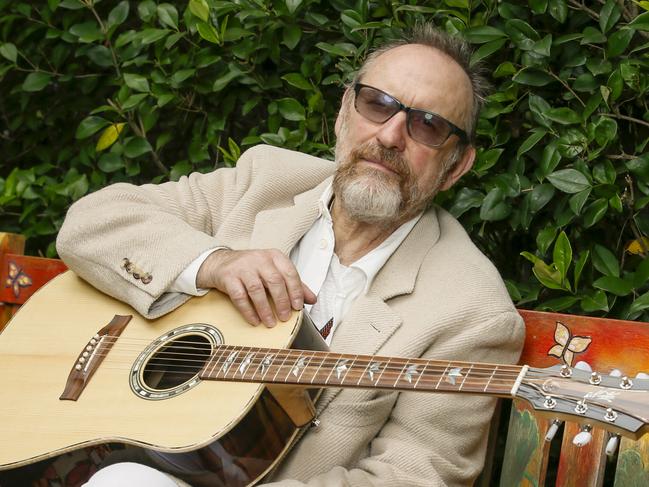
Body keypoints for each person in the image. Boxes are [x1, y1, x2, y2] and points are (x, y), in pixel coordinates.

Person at [57, 24, 524, 487]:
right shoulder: (266, 180)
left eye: (428, 124)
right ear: (345, 112)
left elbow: (414, 477)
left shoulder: (473, 312)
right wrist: (212, 263)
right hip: (113, 444)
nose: (389, 136)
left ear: (456, 165)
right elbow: (92, 221)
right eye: (377, 104)